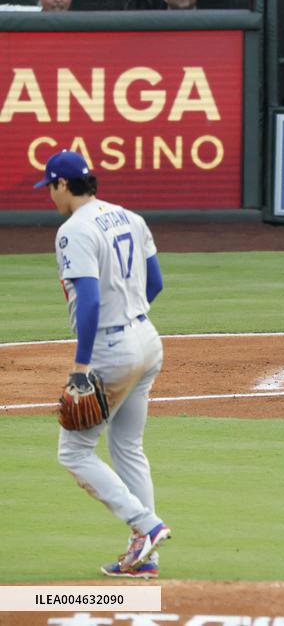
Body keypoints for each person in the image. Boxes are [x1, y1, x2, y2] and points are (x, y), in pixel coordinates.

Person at [35, 150, 172, 578]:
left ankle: (146, 525)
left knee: (74, 452)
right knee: (128, 447)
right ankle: (144, 557)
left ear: (62, 184)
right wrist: (131, 322)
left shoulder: (73, 230)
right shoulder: (130, 216)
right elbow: (156, 283)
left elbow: (90, 300)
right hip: (147, 339)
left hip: (113, 349)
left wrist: (81, 365)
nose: (50, 197)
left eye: (50, 188)